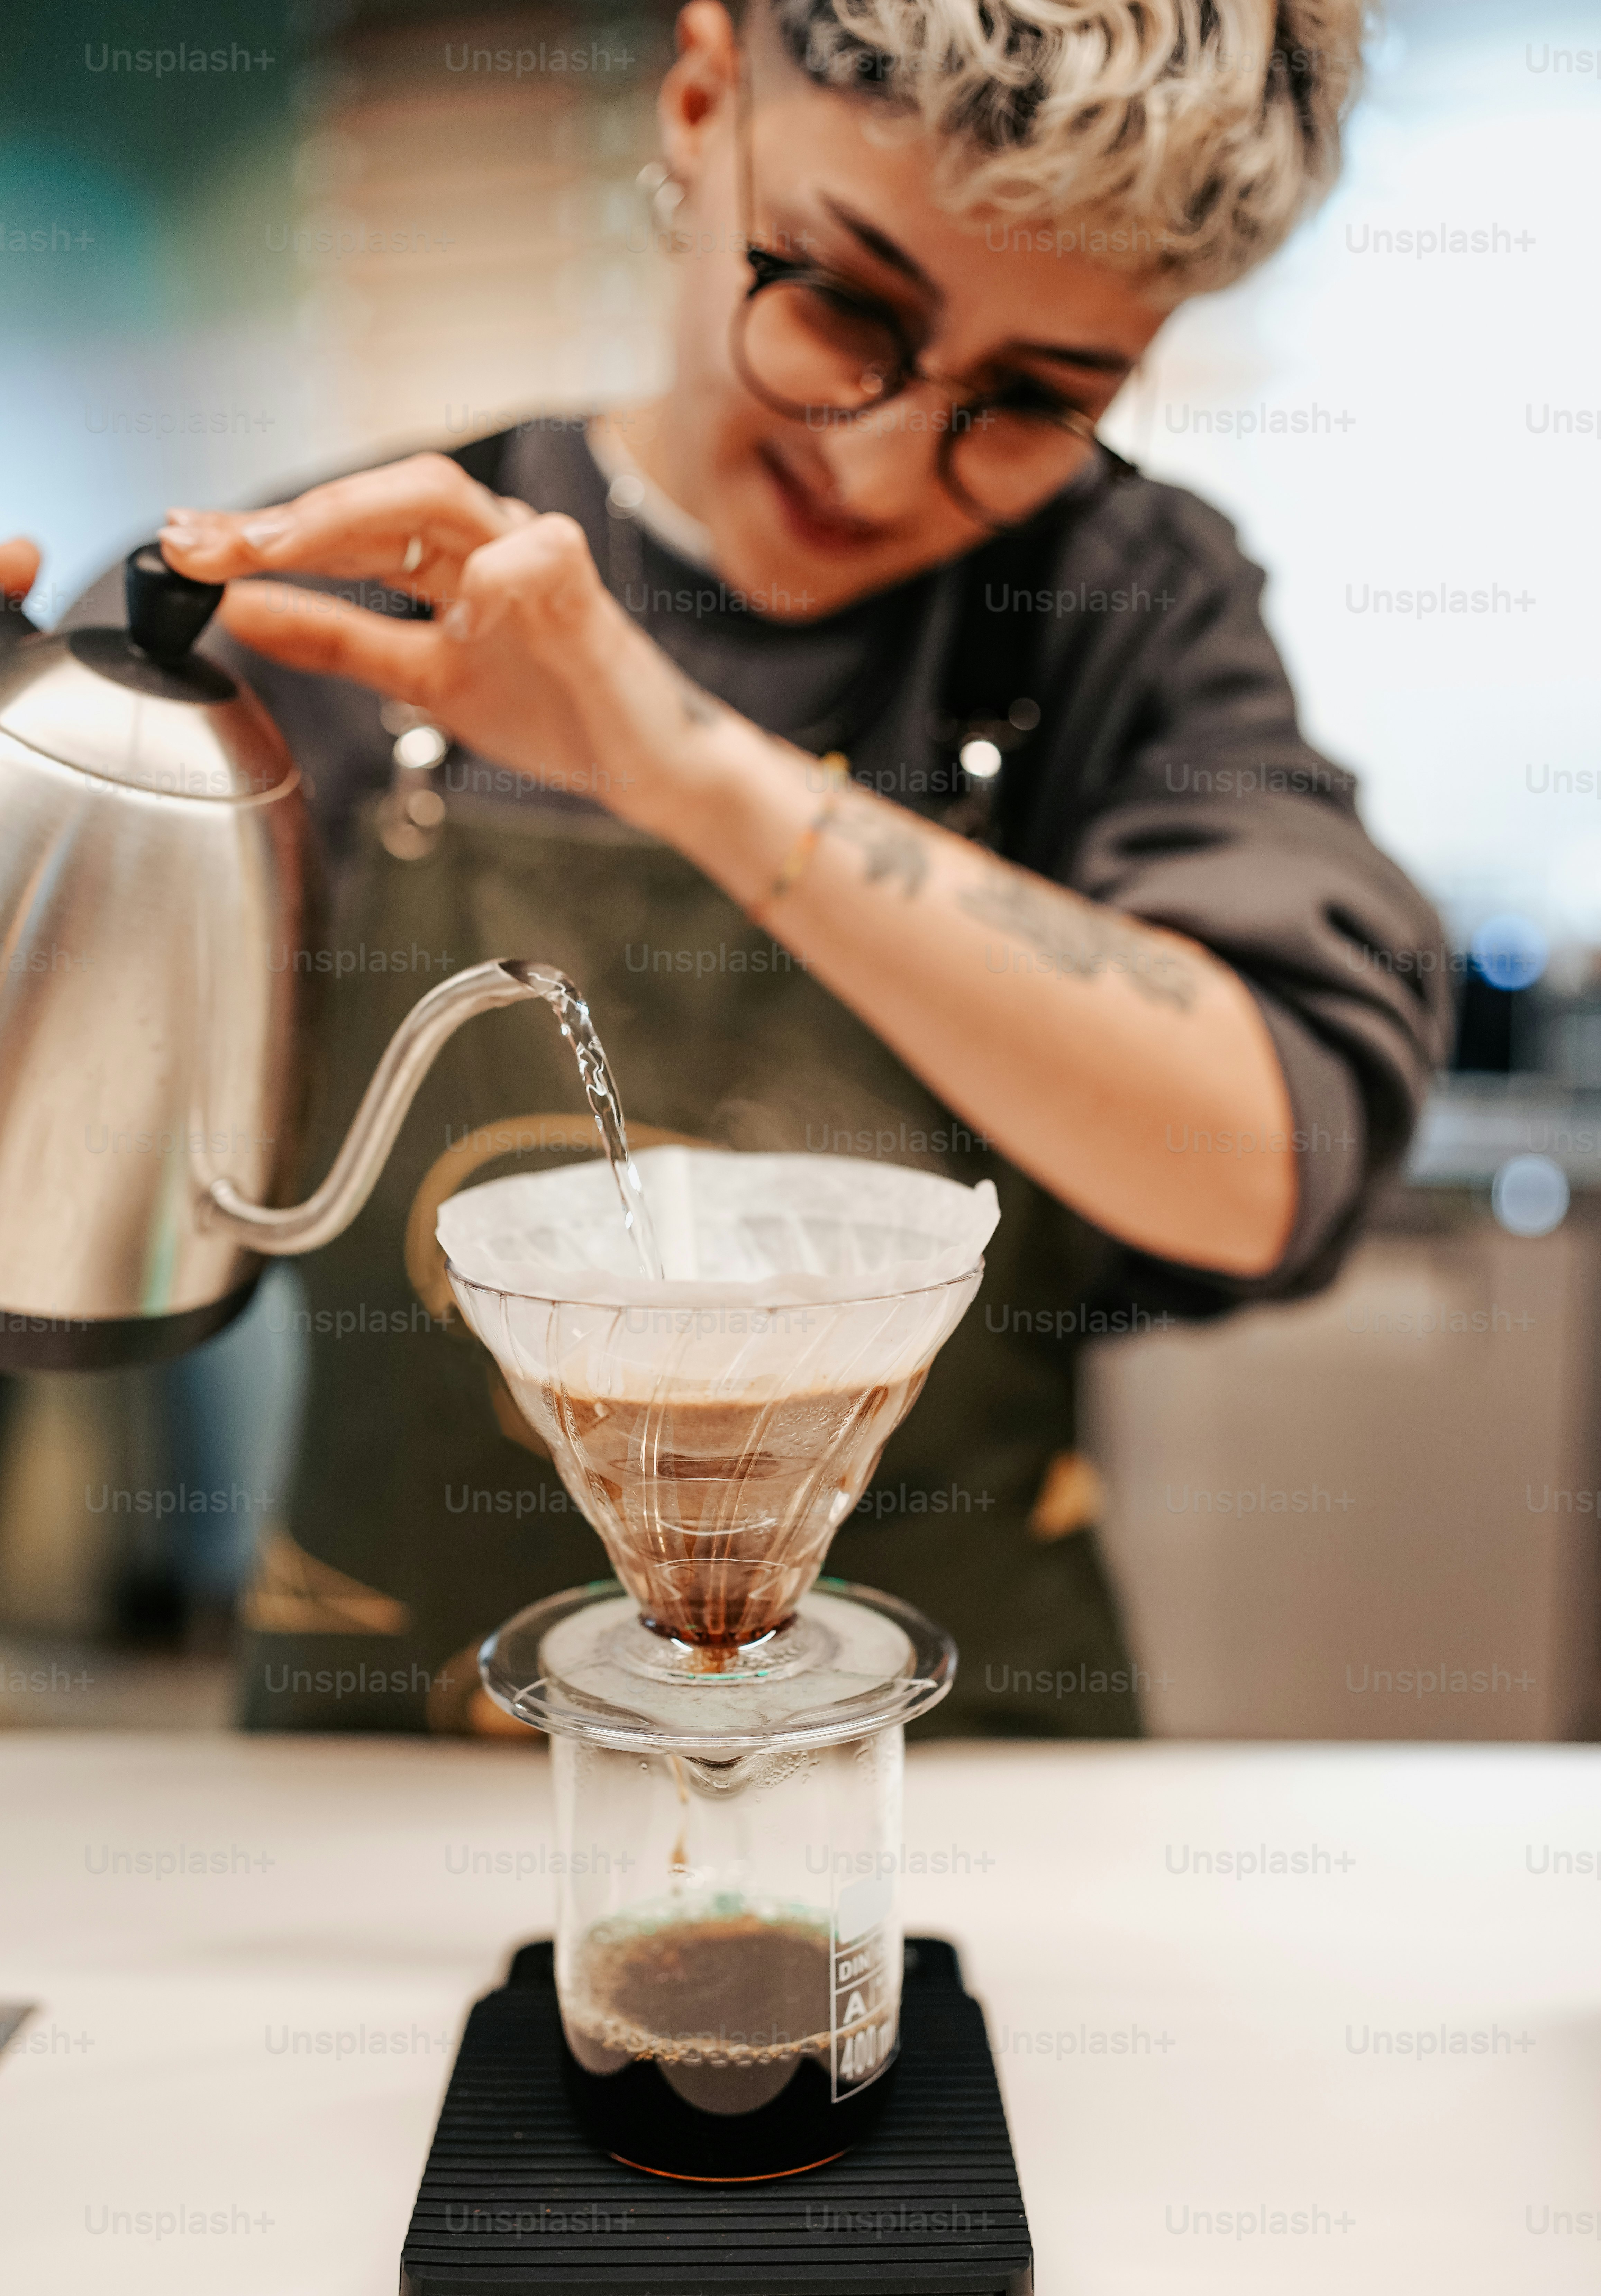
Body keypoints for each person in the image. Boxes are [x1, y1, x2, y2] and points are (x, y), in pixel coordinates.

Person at [20, 0, 1449, 1736]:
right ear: (701, 97)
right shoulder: (339, 605)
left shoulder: (1126, 615)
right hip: (380, 1800)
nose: (871, 461)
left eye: (1028, 402)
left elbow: (1264, 1162)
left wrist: (666, 753)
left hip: (970, 1808)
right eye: (842, 303)